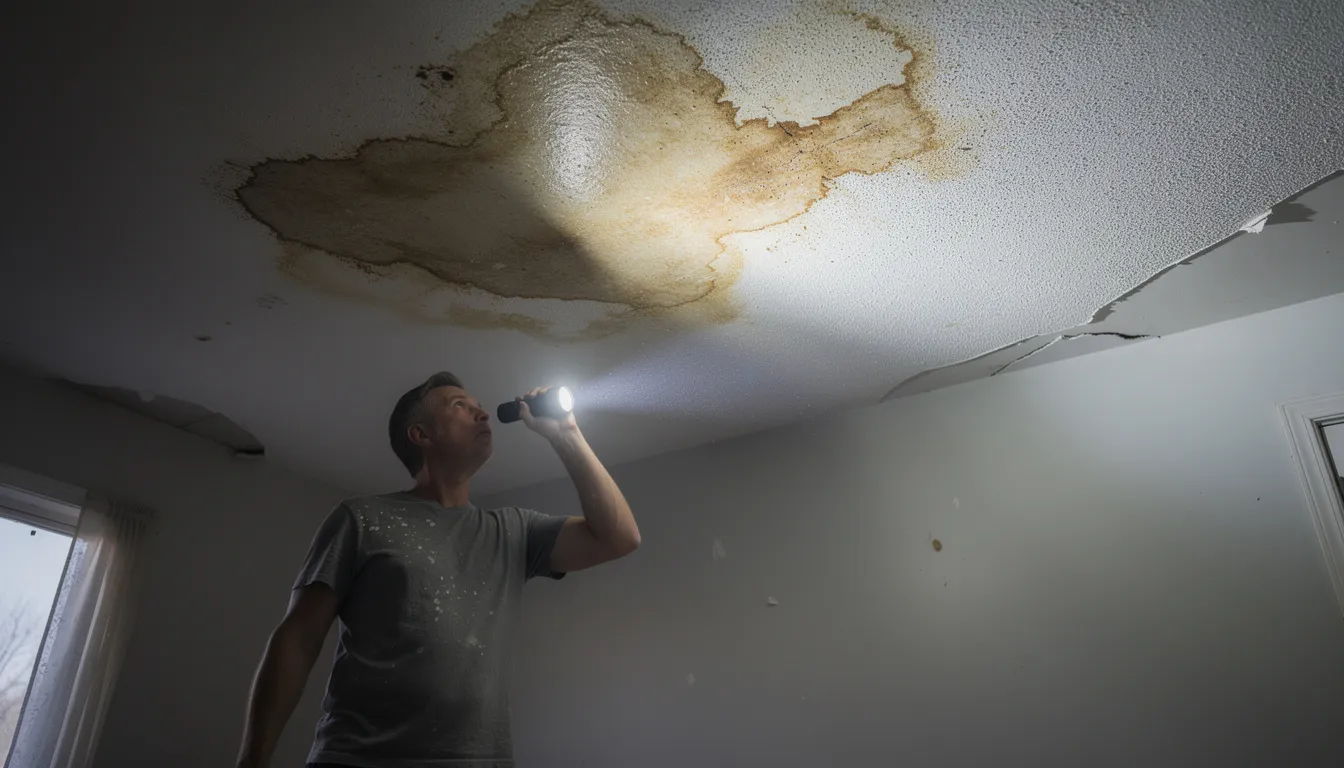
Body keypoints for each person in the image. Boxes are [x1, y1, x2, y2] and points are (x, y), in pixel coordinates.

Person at [235, 372, 640, 768]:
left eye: (481, 408)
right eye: (461, 407)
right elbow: (297, 640)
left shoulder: (514, 530)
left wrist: (565, 434)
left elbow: (619, 538)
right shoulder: (360, 518)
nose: (481, 415)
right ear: (421, 435)